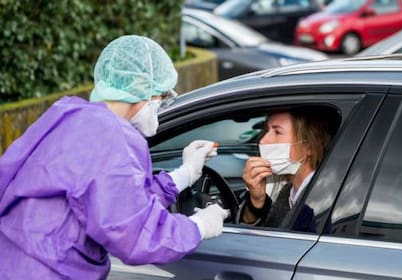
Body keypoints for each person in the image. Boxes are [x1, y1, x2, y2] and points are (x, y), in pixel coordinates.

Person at [0, 35, 228, 279]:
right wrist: (199, 226)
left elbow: (112, 200)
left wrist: (184, 174)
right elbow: (135, 234)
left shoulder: (69, 113)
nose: (160, 106)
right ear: (146, 89)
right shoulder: (112, 136)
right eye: (161, 97)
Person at [236, 107, 335, 231]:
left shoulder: (321, 200)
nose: (262, 141)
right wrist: (257, 200)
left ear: (309, 145)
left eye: (277, 132)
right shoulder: (288, 192)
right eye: (267, 130)